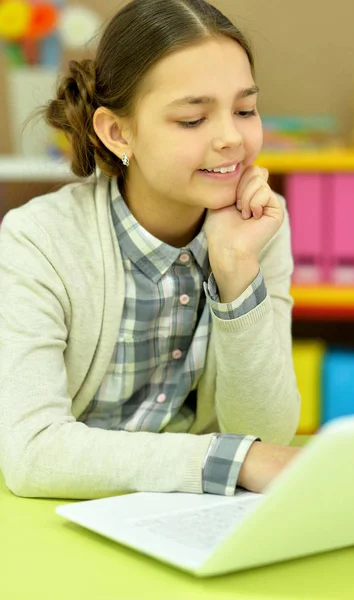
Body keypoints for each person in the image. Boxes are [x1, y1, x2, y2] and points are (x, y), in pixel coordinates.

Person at [0, 0, 301, 500]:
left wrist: (235, 269)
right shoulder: (37, 241)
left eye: (245, 110)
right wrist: (230, 459)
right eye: (191, 120)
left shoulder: (257, 228)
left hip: (187, 519)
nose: (231, 138)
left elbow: (267, 434)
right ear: (118, 132)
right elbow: (31, 451)